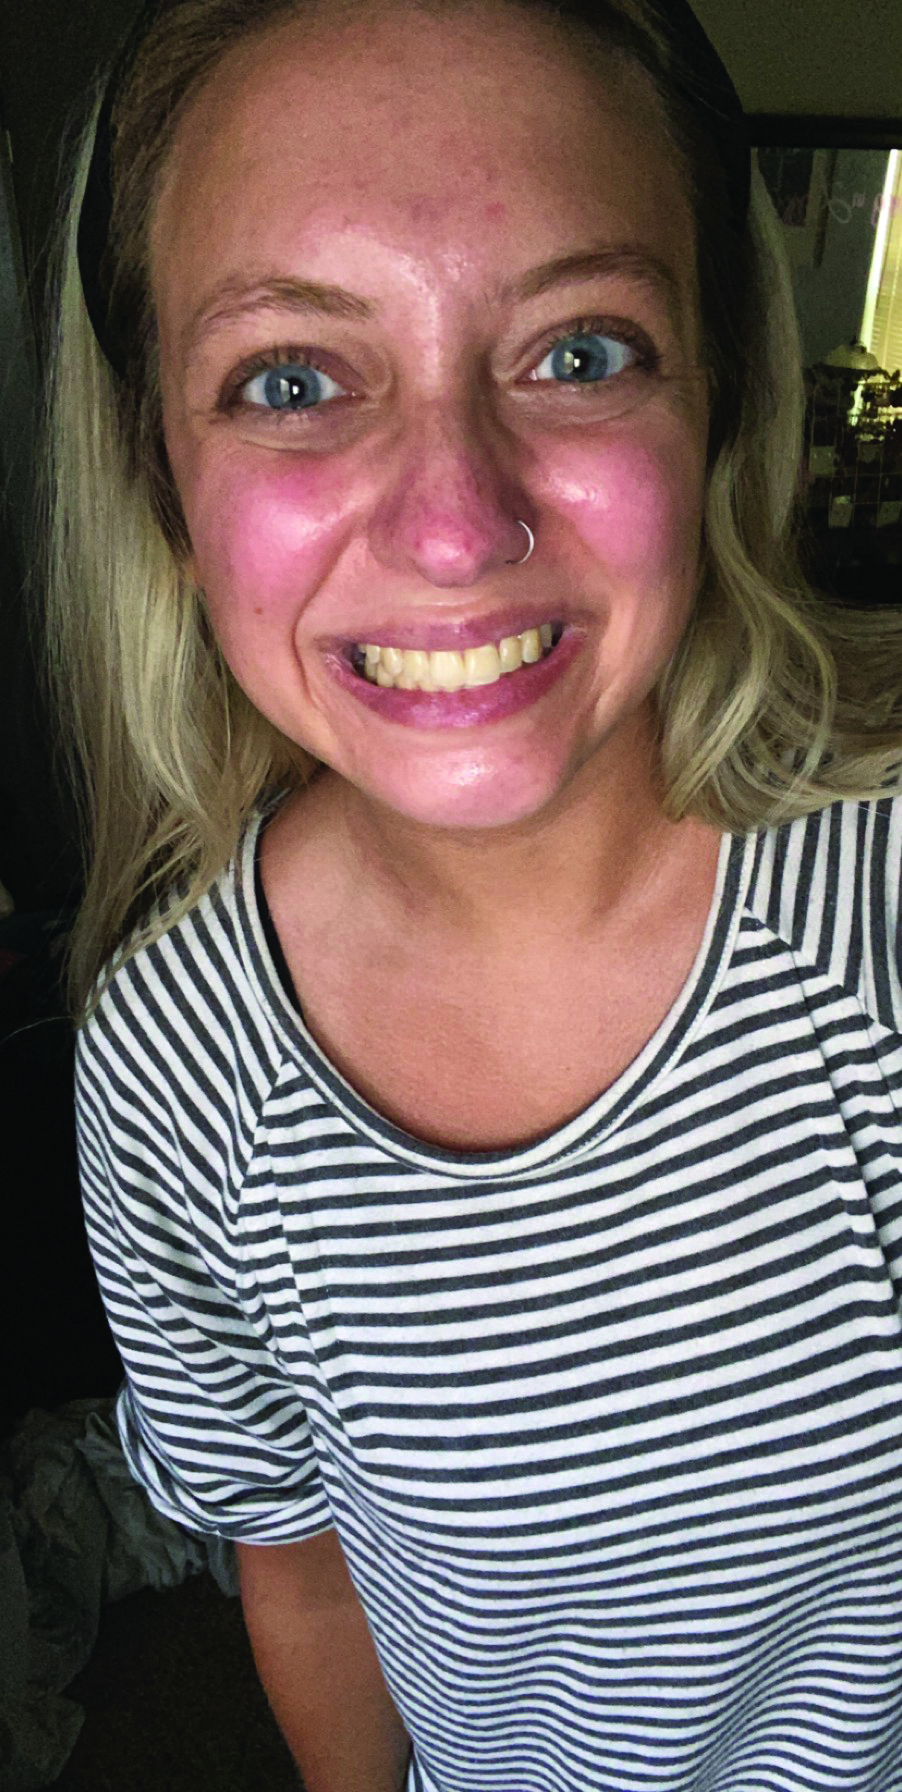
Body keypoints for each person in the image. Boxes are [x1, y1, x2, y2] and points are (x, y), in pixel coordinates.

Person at [41, 0, 902, 1786]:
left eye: (579, 352)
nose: (452, 525)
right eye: (291, 379)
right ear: (160, 480)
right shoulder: (173, 1065)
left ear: (718, 401)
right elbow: (302, 1577)